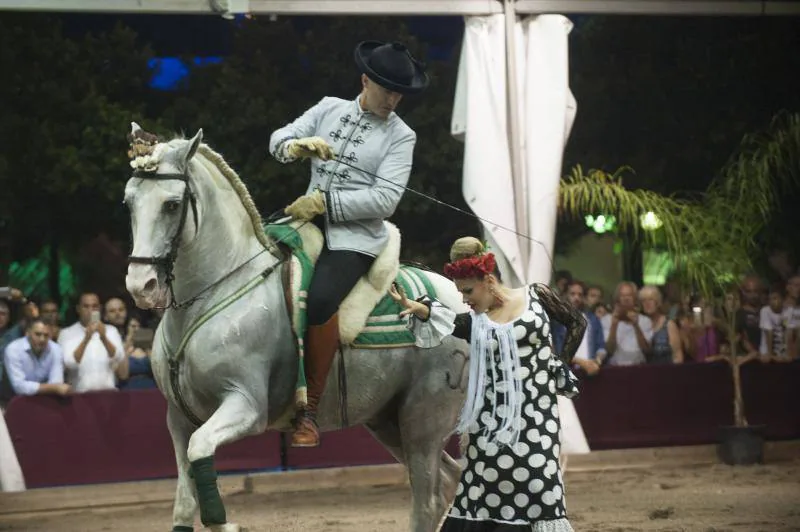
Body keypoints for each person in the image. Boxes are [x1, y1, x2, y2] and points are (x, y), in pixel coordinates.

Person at [268, 40, 429, 447]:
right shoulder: (327, 108)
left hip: (356, 238)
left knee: (321, 300)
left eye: (399, 93)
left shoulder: (401, 136)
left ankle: (310, 409)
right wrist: (296, 146)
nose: (393, 99)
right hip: (303, 221)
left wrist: (324, 202)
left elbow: (385, 200)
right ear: (364, 81)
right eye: (386, 90)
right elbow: (277, 141)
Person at [391, 237, 586, 532]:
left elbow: (576, 323)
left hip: (538, 419)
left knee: (542, 487)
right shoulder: (477, 322)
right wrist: (421, 309)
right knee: (483, 492)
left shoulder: (537, 295)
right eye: (460, 292)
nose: (465, 298)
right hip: (491, 424)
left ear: (489, 280)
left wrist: (560, 363)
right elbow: (445, 321)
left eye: (468, 290)